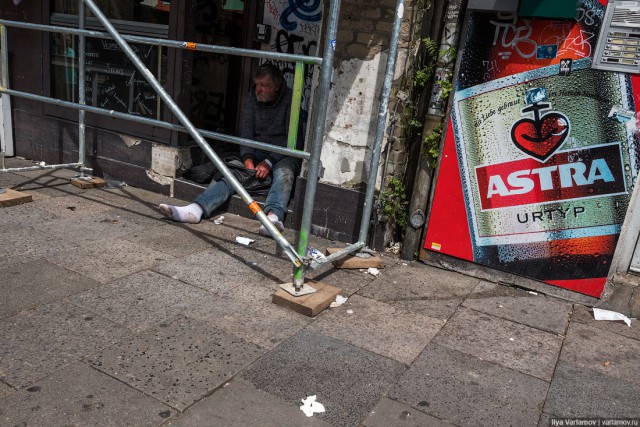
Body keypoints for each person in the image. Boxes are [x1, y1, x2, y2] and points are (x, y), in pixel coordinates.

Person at [159, 63, 300, 236]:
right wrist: (247, 158)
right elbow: (246, 132)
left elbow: (291, 140)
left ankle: (273, 218)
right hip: (255, 150)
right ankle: (196, 209)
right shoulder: (252, 97)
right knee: (231, 173)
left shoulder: (291, 99)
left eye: (265, 85)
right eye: (257, 84)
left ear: (277, 87)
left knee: (285, 173)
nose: (259, 89)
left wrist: (269, 161)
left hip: (280, 153)